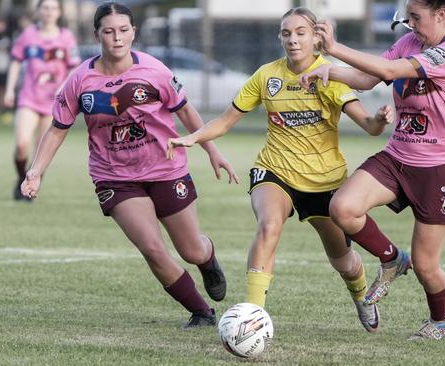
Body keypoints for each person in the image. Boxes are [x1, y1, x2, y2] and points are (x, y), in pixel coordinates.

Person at [168, 7, 394, 333]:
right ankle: (252, 317)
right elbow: (227, 120)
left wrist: (380, 120)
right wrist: (194, 137)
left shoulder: (330, 74)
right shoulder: (266, 76)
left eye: (300, 32)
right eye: (286, 33)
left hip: (325, 181)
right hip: (274, 171)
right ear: (280, 37)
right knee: (268, 225)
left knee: (342, 258)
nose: (293, 39)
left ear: (316, 37)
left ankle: (361, 296)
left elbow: (369, 127)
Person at [20, 2, 237, 329]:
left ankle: (207, 261)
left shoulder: (155, 71)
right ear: (97, 35)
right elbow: (56, 130)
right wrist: (35, 171)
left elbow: (186, 112)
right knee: (152, 248)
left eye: (123, 31)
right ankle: (202, 312)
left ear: (133, 32)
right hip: (115, 178)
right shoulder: (80, 80)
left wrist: (211, 150)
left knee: (191, 250)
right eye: (108, 31)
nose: (117, 38)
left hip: (166, 168)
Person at [300, 0, 445, 340]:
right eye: (408, 16)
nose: (410, 23)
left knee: (426, 266)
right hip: (397, 156)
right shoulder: (410, 41)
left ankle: (442, 319)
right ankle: (392, 259)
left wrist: (333, 49)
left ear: (441, 15)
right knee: (342, 208)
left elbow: (390, 72)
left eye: (416, 17)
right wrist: (328, 69)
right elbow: (367, 78)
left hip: (438, 168)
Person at [4, 0, 81, 201]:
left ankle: (31, 185)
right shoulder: (28, 34)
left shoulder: (66, 37)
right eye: (45, 7)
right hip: (29, 98)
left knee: (41, 150)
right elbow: (15, 61)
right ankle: (22, 178)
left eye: (53, 8)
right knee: (21, 145)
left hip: (53, 102)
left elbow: (74, 67)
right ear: (38, 11)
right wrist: (9, 90)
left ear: (59, 12)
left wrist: (63, 86)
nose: (49, 12)